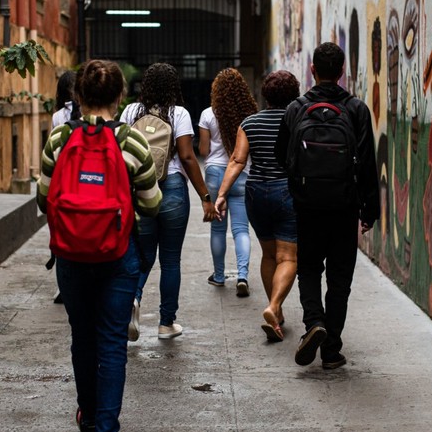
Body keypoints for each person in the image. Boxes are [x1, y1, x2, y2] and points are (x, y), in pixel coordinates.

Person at [37, 59, 161, 432]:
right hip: (117, 259)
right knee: (112, 346)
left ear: (78, 96)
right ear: (120, 97)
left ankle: (87, 421)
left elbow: (43, 199)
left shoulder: (58, 139)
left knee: (82, 338)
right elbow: (152, 204)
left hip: (71, 257)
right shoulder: (134, 143)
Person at [274, 42, 380, 369]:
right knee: (339, 278)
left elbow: (281, 156)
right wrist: (369, 210)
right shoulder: (357, 109)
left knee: (308, 268)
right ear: (342, 71)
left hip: (306, 207)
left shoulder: (295, 109)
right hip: (344, 207)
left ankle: (313, 323)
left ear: (312, 70)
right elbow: (366, 164)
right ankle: (331, 349)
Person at [121, 62, 215, 340]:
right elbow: (187, 157)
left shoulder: (130, 111)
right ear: (174, 87)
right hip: (172, 186)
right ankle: (166, 323)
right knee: (171, 260)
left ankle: (132, 300)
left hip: (140, 188)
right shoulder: (179, 113)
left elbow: (123, 150)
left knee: (143, 254)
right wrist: (205, 196)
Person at [215, 70, 300, 342]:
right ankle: (274, 306)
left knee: (268, 254)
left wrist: (221, 194)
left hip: (256, 192)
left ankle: (278, 313)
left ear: (265, 95)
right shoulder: (297, 120)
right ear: (294, 94)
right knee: (288, 257)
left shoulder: (249, 123)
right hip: (286, 190)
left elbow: (237, 161)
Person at [199, 68, 258, 297]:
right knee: (241, 229)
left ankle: (220, 275)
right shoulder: (249, 115)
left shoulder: (207, 114)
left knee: (217, 228)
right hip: (241, 172)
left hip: (215, 174)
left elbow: (203, 151)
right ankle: (242, 276)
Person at [50, 70, 79, 304]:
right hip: (86, 181)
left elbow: (53, 150)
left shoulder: (58, 116)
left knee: (63, 235)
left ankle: (64, 287)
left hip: (64, 181)